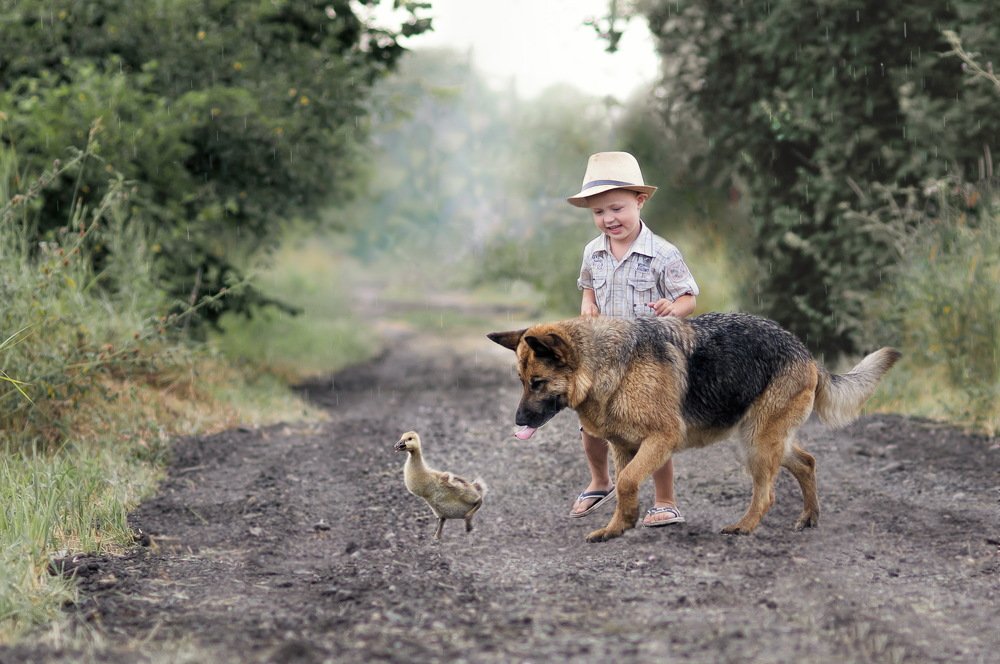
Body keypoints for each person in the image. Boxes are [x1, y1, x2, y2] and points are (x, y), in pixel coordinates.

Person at [565, 151, 699, 528]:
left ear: (639, 201)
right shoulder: (593, 252)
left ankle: (665, 501)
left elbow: (689, 297)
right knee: (590, 422)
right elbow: (588, 288)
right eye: (599, 212)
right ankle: (600, 480)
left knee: (652, 430)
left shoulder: (663, 254)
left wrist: (673, 308)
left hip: (648, 358)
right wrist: (588, 306)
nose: (608, 219)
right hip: (605, 354)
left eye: (617, 208)